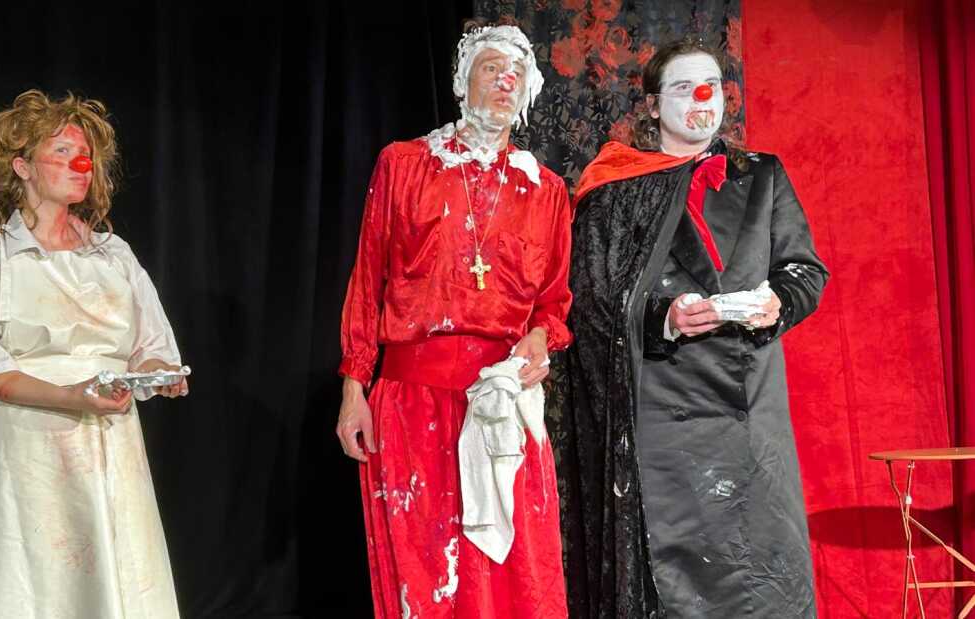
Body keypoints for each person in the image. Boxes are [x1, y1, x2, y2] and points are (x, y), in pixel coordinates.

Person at [554, 39, 828, 618]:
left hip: (748, 409)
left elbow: (806, 271)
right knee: (678, 585)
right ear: (653, 106)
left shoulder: (763, 175)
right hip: (663, 415)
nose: (703, 99)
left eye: (711, 86)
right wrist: (665, 319)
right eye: (683, 88)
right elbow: (589, 303)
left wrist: (777, 301)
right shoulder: (616, 189)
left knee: (761, 581)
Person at [335, 23, 573, 618]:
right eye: (492, 66)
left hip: (502, 401)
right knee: (428, 570)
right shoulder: (405, 164)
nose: (506, 79)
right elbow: (368, 282)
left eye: (517, 71)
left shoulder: (546, 190)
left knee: (514, 574)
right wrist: (352, 389)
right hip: (414, 399)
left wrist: (543, 334)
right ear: (463, 80)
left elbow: (553, 301)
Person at [0, 90, 187, 618]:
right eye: (62, 152)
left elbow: (150, 345)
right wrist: (68, 395)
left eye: (87, 156)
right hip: (28, 440)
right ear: (22, 166)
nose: (82, 165)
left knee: (111, 574)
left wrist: (155, 375)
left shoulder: (112, 254)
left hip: (108, 441)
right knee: (30, 578)